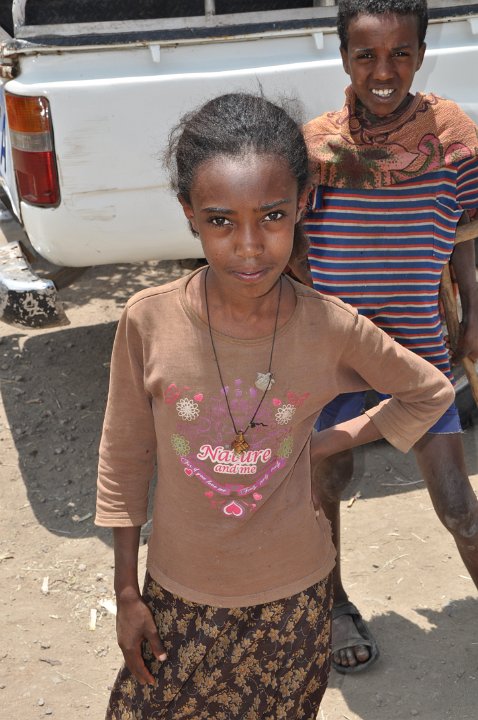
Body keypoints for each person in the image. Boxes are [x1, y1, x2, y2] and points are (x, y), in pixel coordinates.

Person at [95, 92, 454, 719]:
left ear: (303, 205)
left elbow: (429, 392)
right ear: (188, 214)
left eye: (272, 216)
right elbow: (124, 459)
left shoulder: (329, 325)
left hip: (295, 606)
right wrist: (127, 592)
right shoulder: (148, 321)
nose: (250, 246)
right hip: (177, 598)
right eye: (221, 221)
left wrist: (326, 442)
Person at [300, 0, 478, 676]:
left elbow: (465, 233)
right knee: (330, 476)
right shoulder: (315, 149)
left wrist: (474, 310)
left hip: (419, 353)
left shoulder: (454, 138)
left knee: (460, 508)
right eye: (366, 55)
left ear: (421, 55)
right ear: (344, 57)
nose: (383, 71)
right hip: (335, 356)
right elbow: (293, 245)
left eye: (400, 53)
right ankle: (334, 603)